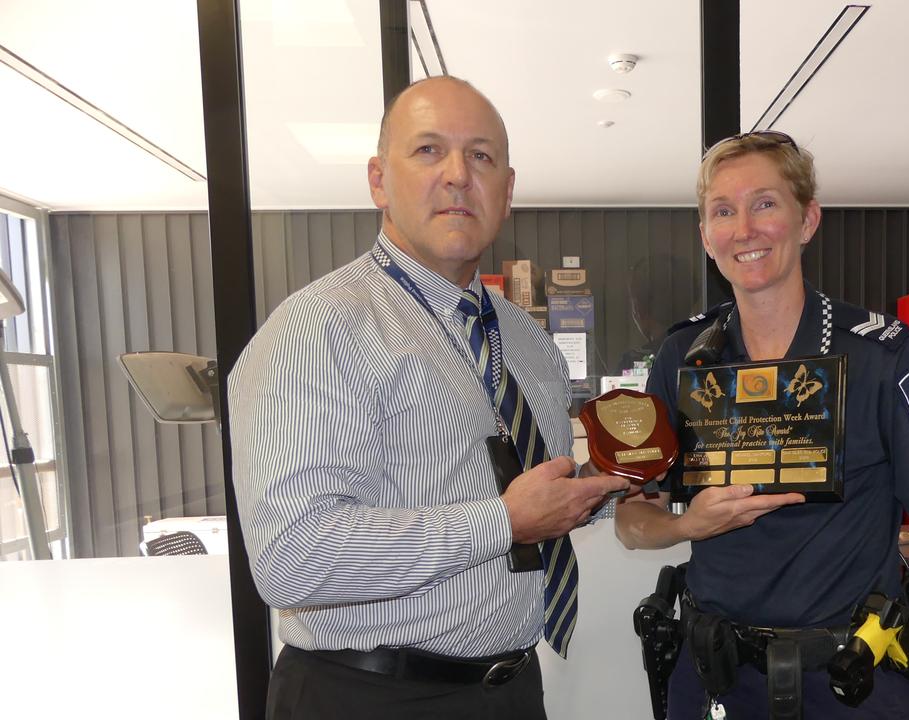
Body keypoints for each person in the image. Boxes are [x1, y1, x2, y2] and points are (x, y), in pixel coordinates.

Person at [229, 77, 629, 720]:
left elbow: (526, 491)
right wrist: (501, 521)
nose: (457, 175)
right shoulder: (316, 330)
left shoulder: (524, 337)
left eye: (481, 156)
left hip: (511, 691)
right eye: (427, 150)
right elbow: (290, 556)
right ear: (378, 181)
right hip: (367, 696)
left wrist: (608, 489)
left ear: (507, 189)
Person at [615, 131, 909, 719]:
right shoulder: (684, 358)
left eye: (765, 203)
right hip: (715, 683)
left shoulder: (882, 354)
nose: (744, 228)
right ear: (706, 236)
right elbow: (630, 520)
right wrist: (686, 526)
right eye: (723, 211)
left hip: (852, 684)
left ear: (807, 220)